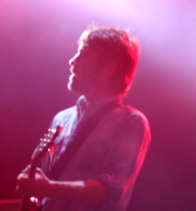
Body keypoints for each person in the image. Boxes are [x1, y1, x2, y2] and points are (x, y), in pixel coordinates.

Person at [16, 26, 151, 211]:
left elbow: (110, 190)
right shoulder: (61, 119)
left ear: (108, 68)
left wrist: (48, 188)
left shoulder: (131, 123)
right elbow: (42, 187)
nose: (72, 61)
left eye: (83, 54)